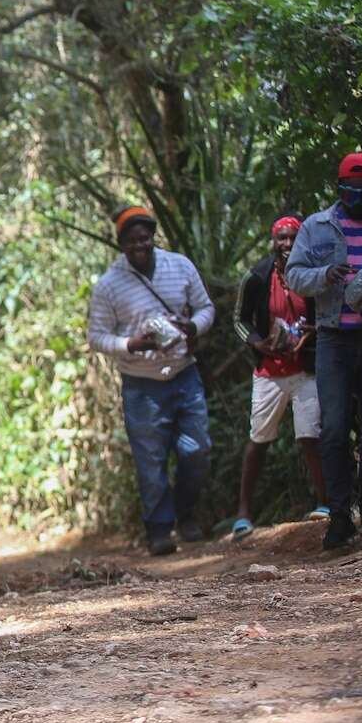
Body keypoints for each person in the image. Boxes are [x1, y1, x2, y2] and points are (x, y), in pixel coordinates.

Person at [285, 153, 362, 551]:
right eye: (350, 193)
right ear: (339, 190)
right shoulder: (316, 226)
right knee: (333, 429)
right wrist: (325, 275)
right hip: (333, 339)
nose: (357, 199)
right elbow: (294, 276)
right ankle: (339, 516)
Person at [87, 205, 216, 555]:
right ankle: (159, 530)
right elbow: (96, 336)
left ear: (153, 237)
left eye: (144, 238)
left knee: (197, 450)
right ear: (121, 244)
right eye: (131, 241)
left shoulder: (180, 266)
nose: (139, 245)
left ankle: (186, 513)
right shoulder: (109, 285)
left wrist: (193, 327)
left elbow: (206, 309)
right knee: (150, 461)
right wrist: (131, 344)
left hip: (184, 374)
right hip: (141, 385)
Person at [231, 215, 330, 538]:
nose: (287, 245)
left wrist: (313, 333)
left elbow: (326, 311)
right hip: (270, 371)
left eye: (293, 238)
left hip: (305, 367)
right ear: (273, 241)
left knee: (310, 435)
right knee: (259, 439)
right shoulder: (258, 275)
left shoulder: (312, 274)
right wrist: (258, 343)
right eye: (282, 239)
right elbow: (240, 319)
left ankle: (325, 502)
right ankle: (243, 513)